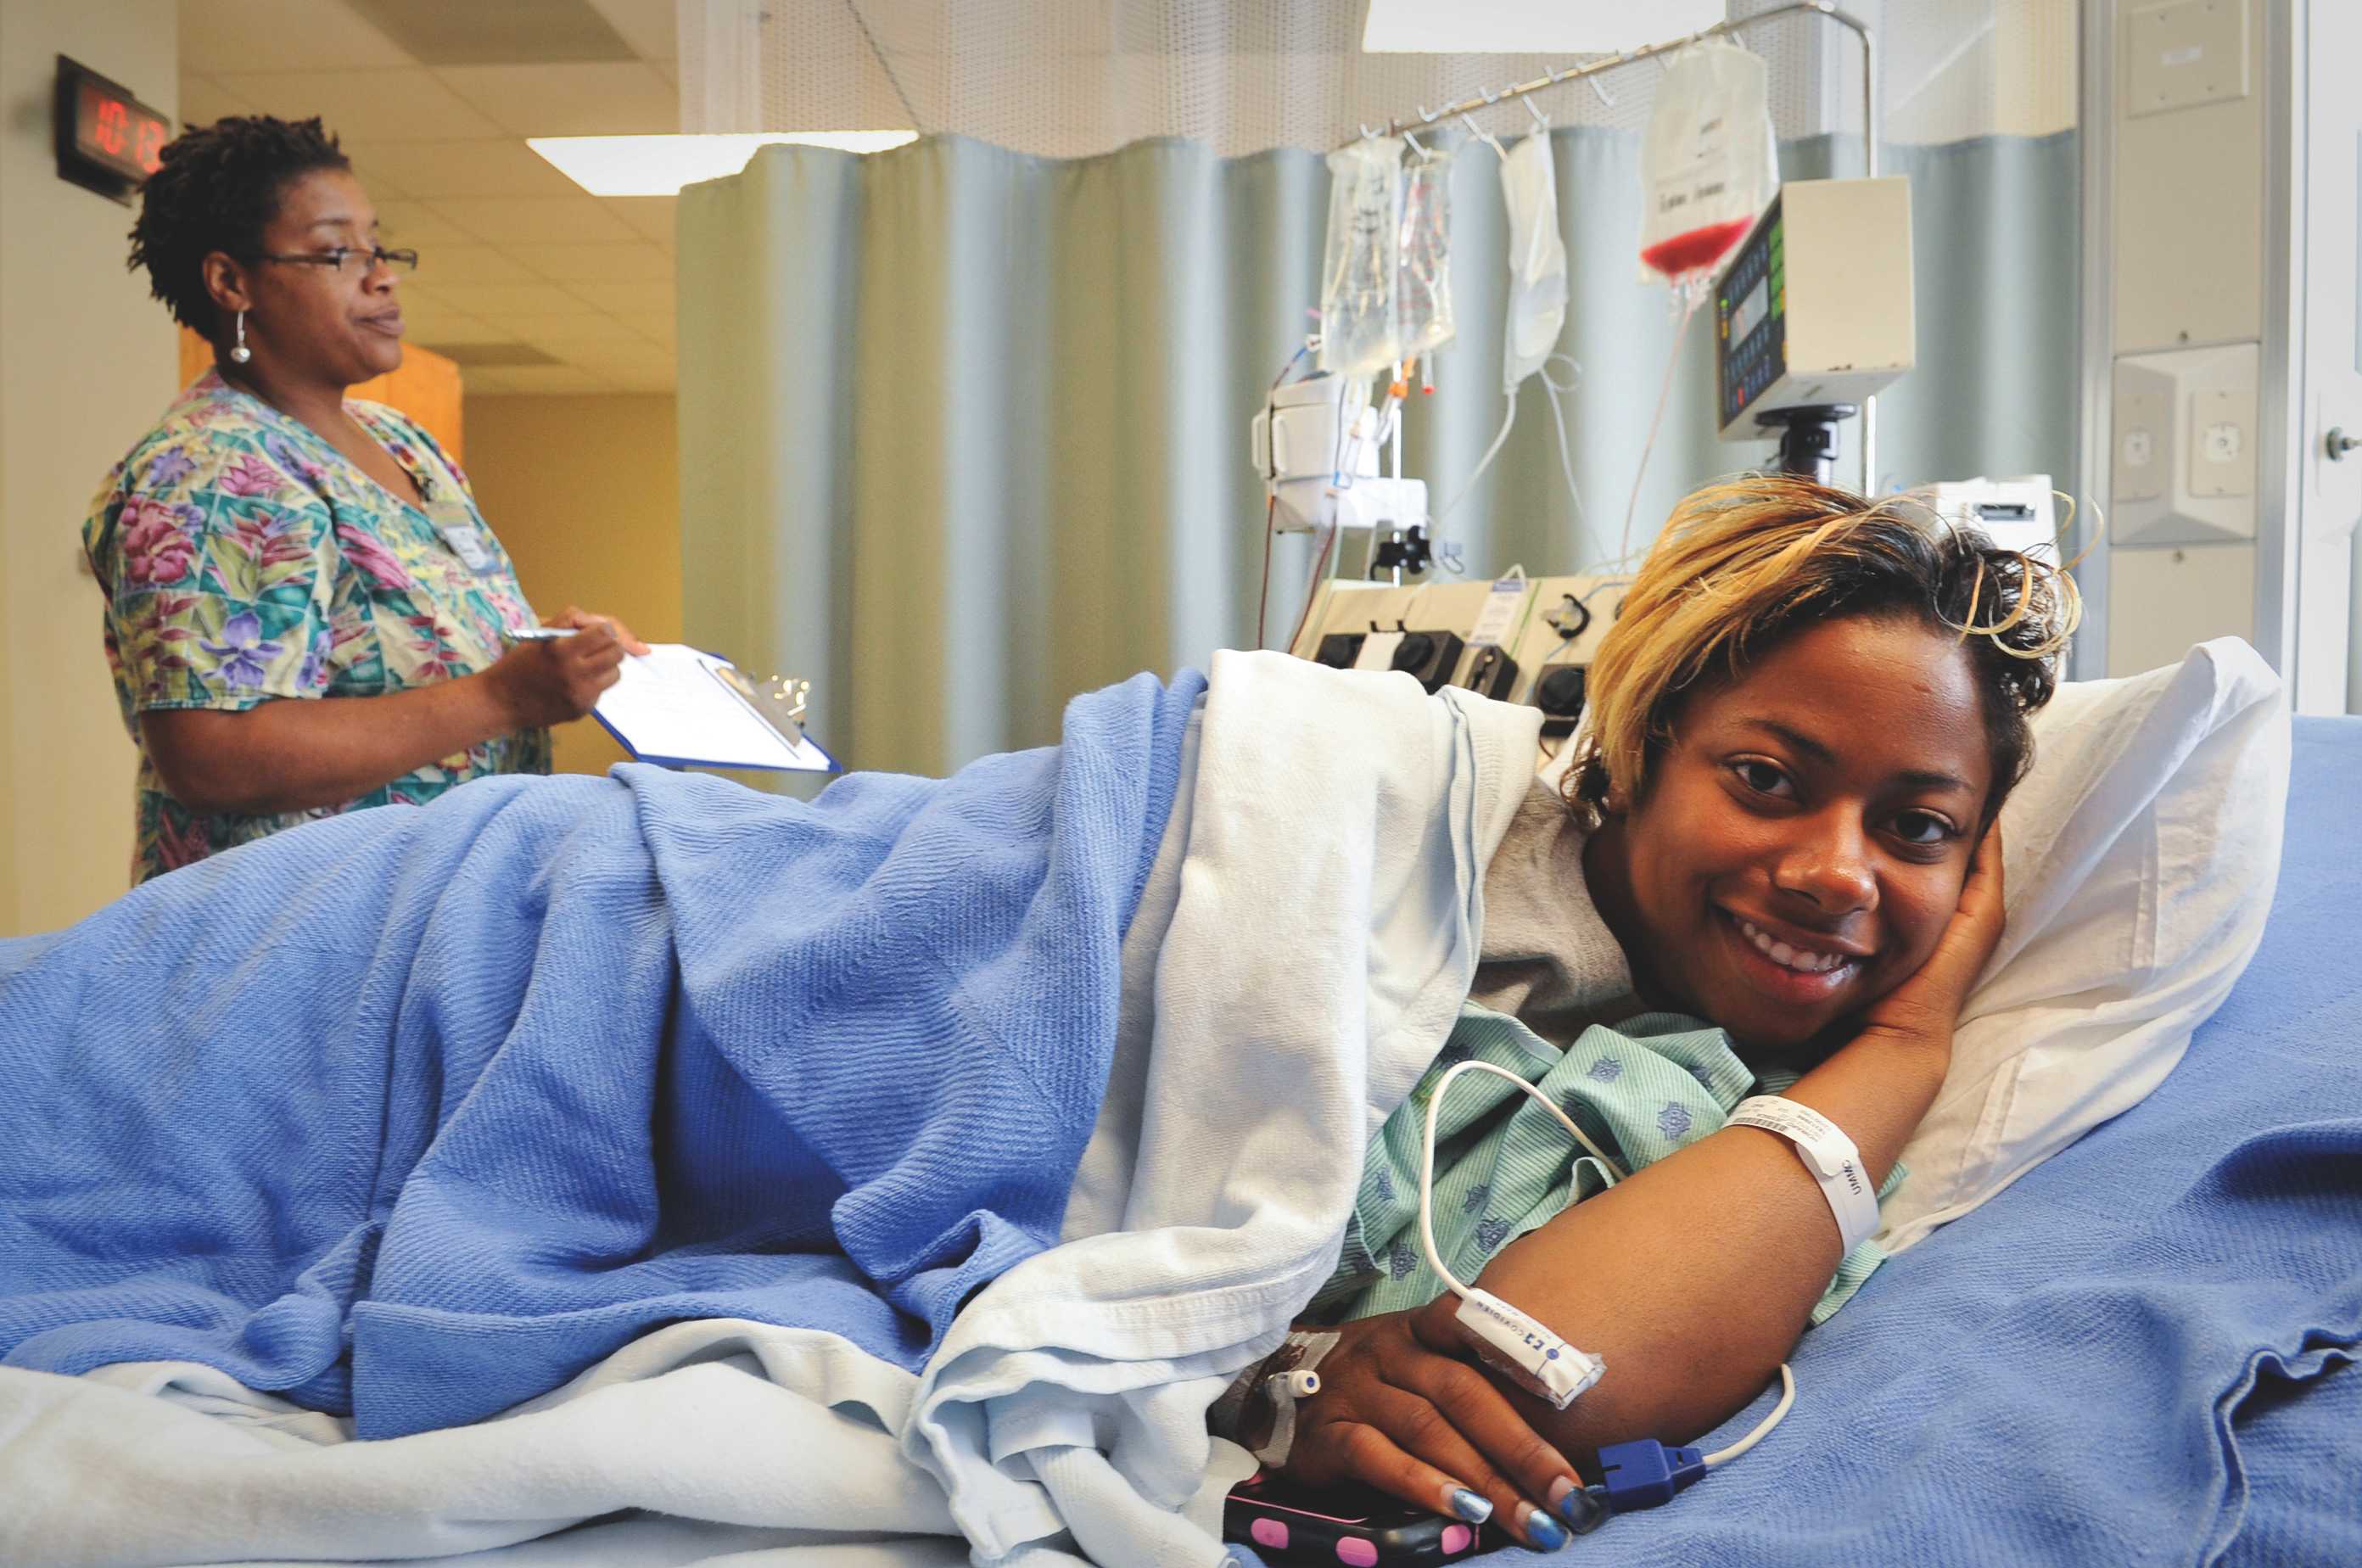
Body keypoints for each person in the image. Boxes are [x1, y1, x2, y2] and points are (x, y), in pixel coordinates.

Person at [1228, 475, 2075, 1550]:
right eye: (1767, 779)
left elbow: (1549, 1377)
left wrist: (1911, 1043)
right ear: (1637, 750)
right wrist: (1261, 1371)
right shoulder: (1396, 869)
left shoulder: (1755, 1080)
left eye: (1917, 827)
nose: (1838, 875)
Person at [85, 114, 648, 882]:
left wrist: (553, 655)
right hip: (289, 935)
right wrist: (502, 696)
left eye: (377, 246)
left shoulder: (402, 442)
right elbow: (213, 756)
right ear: (232, 282)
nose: (381, 275)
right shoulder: (211, 467)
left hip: (428, 911)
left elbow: (414, 647)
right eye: (335, 252)